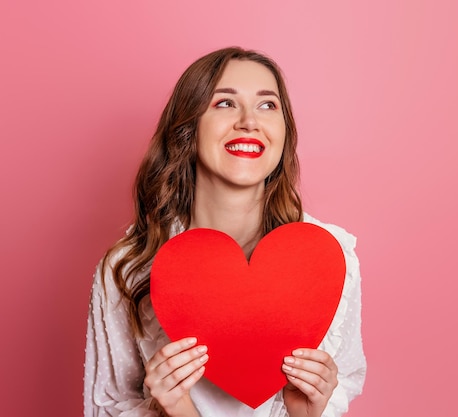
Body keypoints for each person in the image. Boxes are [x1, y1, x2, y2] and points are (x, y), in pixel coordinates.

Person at [83, 46, 366, 417]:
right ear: (187, 127)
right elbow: (106, 405)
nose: (250, 121)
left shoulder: (331, 256)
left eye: (268, 105)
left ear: (283, 132)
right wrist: (174, 410)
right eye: (225, 104)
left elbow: (343, 383)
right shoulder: (129, 265)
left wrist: (307, 413)